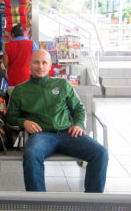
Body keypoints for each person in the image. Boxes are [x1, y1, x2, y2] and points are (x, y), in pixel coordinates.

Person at [6, 49, 108, 192]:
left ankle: (93, 201)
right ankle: (38, 204)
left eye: (44, 63)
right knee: (31, 154)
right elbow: (10, 117)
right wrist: (24, 122)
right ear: (30, 64)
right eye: (36, 62)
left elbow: (78, 108)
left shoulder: (63, 85)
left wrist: (79, 124)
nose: (40, 66)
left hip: (69, 133)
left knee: (100, 153)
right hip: (41, 135)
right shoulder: (20, 90)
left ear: (50, 66)